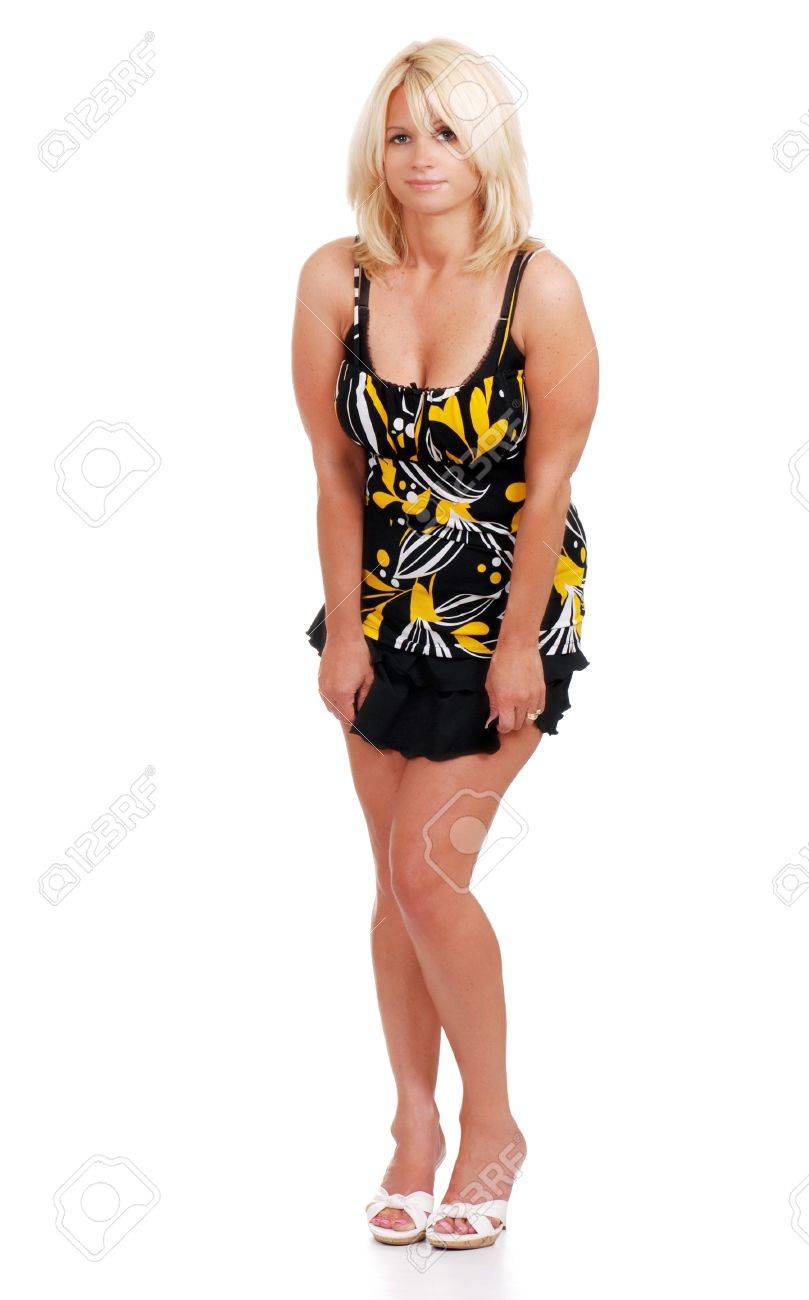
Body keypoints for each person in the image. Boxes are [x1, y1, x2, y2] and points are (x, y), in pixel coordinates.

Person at [292, 37, 598, 1251]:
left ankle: (493, 1126)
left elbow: (547, 481)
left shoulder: (538, 286)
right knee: (393, 882)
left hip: (504, 601)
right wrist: (342, 630)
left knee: (429, 872)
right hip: (380, 601)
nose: (422, 156)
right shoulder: (336, 279)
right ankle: (411, 1127)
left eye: (448, 132)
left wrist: (518, 647)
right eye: (401, 132)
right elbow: (335, 470)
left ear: (486, 149)